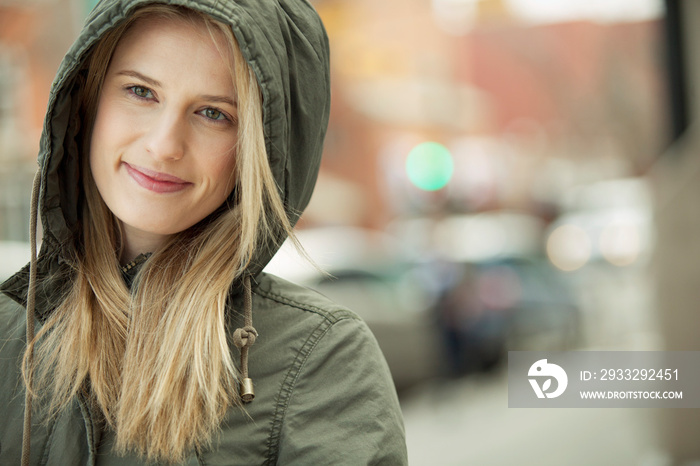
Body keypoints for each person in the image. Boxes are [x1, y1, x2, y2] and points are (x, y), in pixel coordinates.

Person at [0, 1, 407, 464]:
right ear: (86, 102)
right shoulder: (7, 329)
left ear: (257, 150)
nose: (164, 144)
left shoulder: (321, 358)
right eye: (140, 91)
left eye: (214, 114)